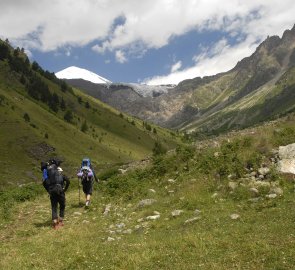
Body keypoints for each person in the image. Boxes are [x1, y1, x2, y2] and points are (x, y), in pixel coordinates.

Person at [42, 159, 70, 229]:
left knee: (54, 207)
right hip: (60, 190)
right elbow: (68, 181)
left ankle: (55, 223)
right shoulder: (60, 174)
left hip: (52, 191)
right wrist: (65, 189)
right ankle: (60, 221)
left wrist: (48, 190)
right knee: (62, 205)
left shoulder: (48, 175)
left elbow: (44, 183)